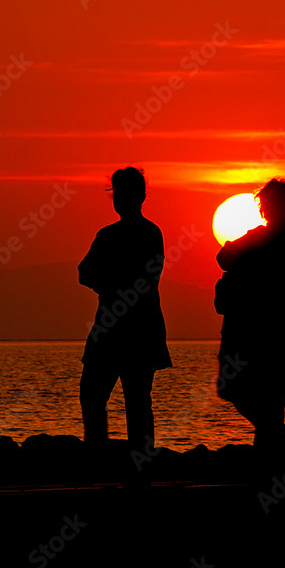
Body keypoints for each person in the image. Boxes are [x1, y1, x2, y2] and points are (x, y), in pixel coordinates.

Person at [215, 179, 285, 457]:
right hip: (269, 325)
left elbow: (226, 257)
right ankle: (276, 447)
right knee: (268, 394)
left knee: (259, 392)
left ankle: (274, 450)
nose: (269, 210)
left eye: (272, 205)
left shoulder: (280, 240)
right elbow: (225, 258)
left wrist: (244, 247)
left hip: (258, 327)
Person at [79, 167, 171, 450]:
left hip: (135, 329)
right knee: (97, 395)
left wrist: (107, 280)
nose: (119, 199)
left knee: (135, 400)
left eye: (124, 193)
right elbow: (84, 272)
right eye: (115, 193)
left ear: (140, 196)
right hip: (114, 328)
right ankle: (101, 455)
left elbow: (141, 279)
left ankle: (131, 461)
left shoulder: (146, 234)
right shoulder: (110, 235)